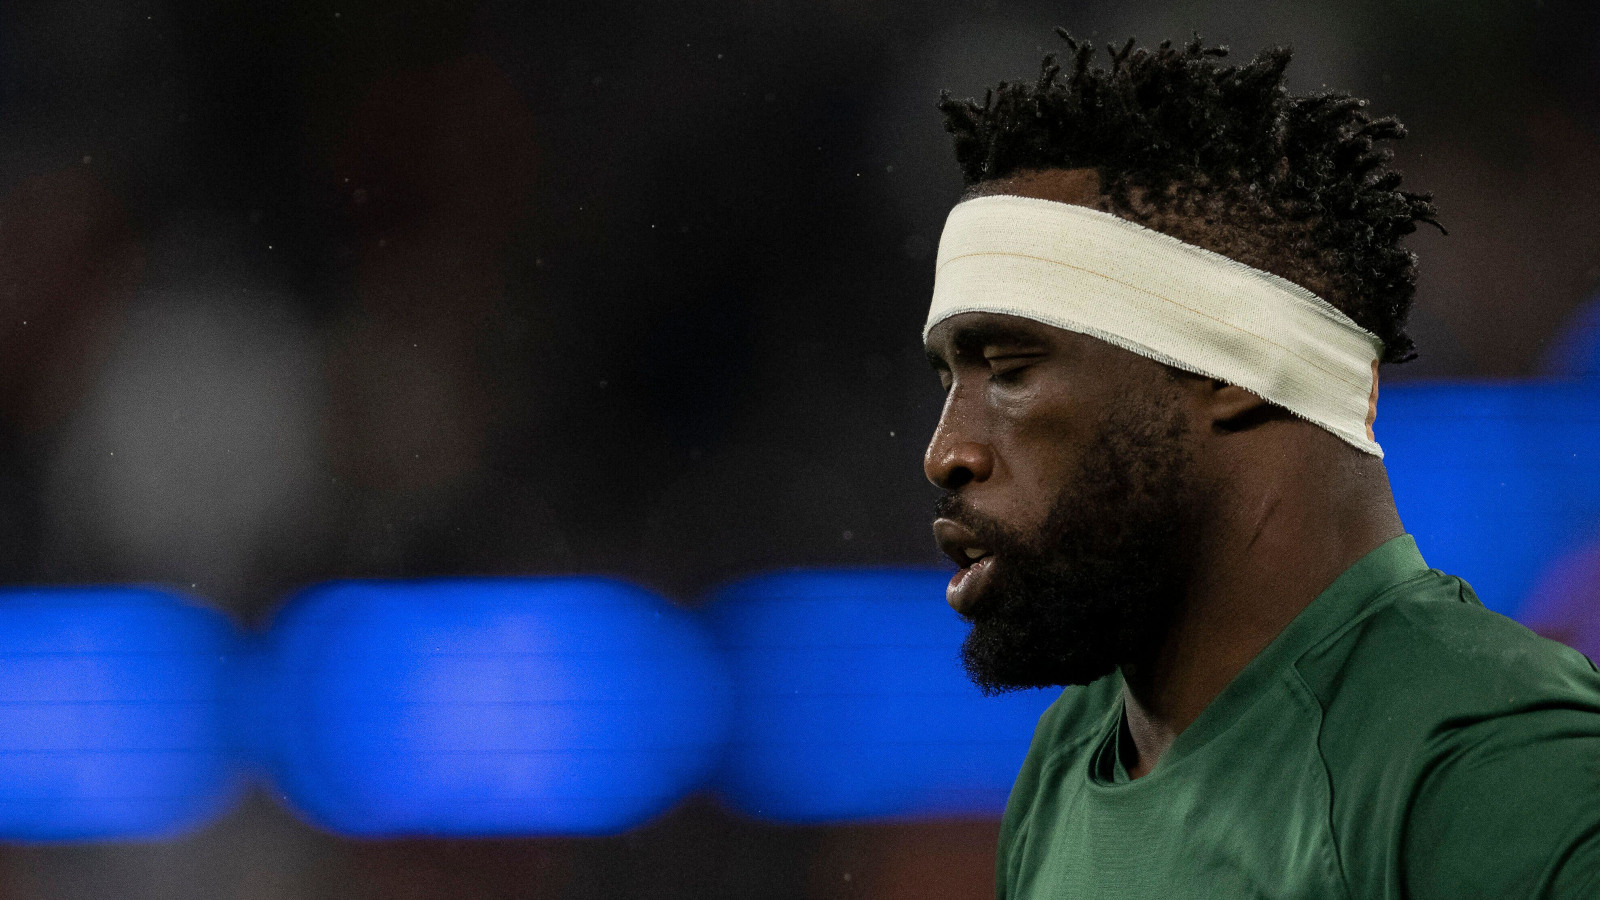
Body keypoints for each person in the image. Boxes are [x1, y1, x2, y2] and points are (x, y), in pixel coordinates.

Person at [921, 33, 1600, 898]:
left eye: (1012, 372)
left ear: (1234, 365)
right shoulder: (1070, 753)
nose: (947, 452)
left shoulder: (1498, 767)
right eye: (950, 380)